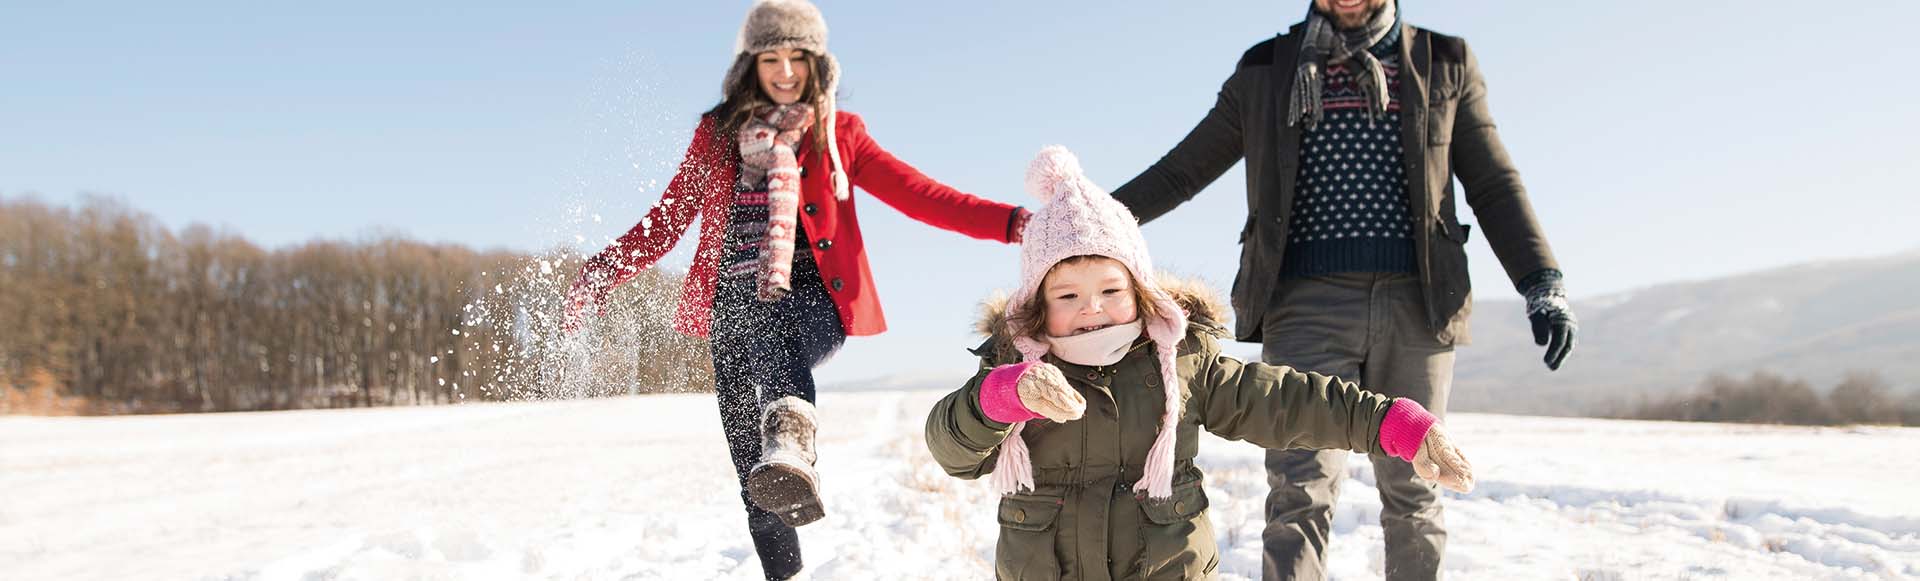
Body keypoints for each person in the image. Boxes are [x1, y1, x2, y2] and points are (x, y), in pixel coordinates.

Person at [1106, 1, 1577, 578]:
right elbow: (1182, 171)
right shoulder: (1267, 68)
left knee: (1417, 483)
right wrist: (1087, 222)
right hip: (1304, 304)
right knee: (1299, 488)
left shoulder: (1444, 60)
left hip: (1419, 305)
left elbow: (1493, 182)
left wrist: (1541, 280)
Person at [563, 2, 1028, 578]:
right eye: (771, 58)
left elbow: (920, 193)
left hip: (813, 299)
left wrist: (1011, 223)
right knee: (757, 480)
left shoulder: (840, 134)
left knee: (776, 338)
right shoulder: (718, 135)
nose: (785, 72)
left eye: (796, 58)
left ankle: (791, 433)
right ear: (750, 65)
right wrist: (602, 269)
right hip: (730, 301)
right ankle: (783, 567)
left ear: (816, 63)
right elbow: (668, 218)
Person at [925, 146, 1473, 580]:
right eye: (1067, 296)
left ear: (1139, 290)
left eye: (1110, 289)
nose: (1091, 308)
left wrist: (1396, 424)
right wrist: (1001, 397)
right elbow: (953, 450)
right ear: (1037, 305)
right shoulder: (1013, 369)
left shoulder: (1182, 361)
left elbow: (1287, 401)